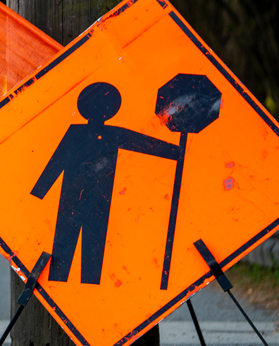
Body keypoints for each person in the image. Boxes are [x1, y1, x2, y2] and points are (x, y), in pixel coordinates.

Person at [30, 82, 179, 285]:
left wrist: (176, 152)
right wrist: (39, 191)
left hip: (94, 201)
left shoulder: (99, 133)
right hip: (77, 201)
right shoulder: (85, 133)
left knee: (90, 252)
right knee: (67, 252)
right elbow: (56, 162)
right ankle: (63, 286)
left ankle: (84, 289)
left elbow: (142, 143)